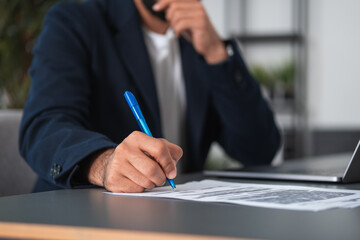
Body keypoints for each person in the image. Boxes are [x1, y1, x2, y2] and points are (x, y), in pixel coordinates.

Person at [19, 0, 281, 193]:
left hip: (179, 218)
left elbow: (259, 150)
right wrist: (104, 163)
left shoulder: (199, 41)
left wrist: (216, 53)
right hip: (81, 218)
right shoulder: (75, 20)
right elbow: (44, 126)